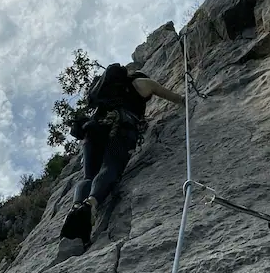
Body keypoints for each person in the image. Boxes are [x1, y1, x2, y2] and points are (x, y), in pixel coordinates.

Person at [59, 63, 186, 248]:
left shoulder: (106, 91)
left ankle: (76, 206)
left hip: (92, 130)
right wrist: (186, 100)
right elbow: (175, 97)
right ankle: (91, 204)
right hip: (120, 128)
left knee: (88, 176)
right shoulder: (143, 83)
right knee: (110, 167)